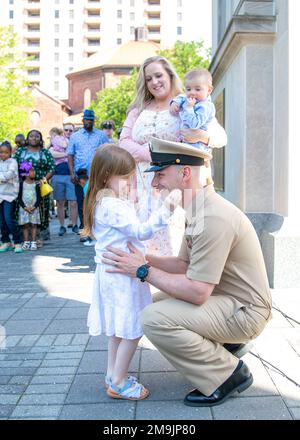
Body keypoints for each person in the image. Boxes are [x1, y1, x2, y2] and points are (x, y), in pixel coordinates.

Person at [102, 137, 272, 407]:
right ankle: (226, 347)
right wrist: (141, 258)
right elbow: (182, 265)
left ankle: (227, 374)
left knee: (153, 318)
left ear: (184, 173)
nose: (155, 183)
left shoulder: (213, 217)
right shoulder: (198, 209)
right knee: (147, 304)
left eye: (160, 174)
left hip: (245, 312)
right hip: (228, 302)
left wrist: (142, 270)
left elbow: (197, 292)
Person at [84, 144, 178, 401]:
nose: (130, 182)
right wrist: (167, 209)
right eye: (125, 178)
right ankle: (119, 382)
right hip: (123, 275)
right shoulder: (113, 206)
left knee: (118, 329)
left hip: (113, 274)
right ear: (106, 176)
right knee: (133, 329)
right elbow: (141, 231)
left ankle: (113, 374)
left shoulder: (103, 201)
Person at [119, 56, 227, 256]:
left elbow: (221, 138)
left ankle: (174, 283)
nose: (154, 82)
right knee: (145, 243)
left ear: (170, 75)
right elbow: (123, 141)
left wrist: (201, 136)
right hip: (143, 186)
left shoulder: (188, 103)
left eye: (158, 75)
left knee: (174, 240)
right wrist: (152, 155)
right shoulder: (138, 109)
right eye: (149, 78)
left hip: (177, 184)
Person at [67, 109, 109, 235]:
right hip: (80, 176)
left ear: (94, 120)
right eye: (86, 119)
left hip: (97, 175)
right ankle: (84, 230)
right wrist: (72, 173)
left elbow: (107, 153)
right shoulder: (75, 136)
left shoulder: (101, 135)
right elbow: (70, 155)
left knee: (97, 202)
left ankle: (96, 230)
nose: (89, 122)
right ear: (83, 120)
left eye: (91, 120)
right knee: (82, 203)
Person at [14, 130, 55, 246]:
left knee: (41, 211)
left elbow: (52, 168)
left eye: (37, 136)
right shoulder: (20, 152)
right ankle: (24, 238)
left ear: (40, 139)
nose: (34, 138)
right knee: (23, 210)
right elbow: (13, 166)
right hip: (23, 187)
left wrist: (42, 181)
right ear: (27, 139)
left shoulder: (45, 152)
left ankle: (39, 237)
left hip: (40, 187)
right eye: (31, 136)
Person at [170, 68, 215, 152]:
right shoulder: (190, 98)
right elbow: (182, 97)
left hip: (197, 147)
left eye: (197, 89)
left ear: (209, 90)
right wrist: (175, 103)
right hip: (185, 144)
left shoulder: (206, 107)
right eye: (188, 89)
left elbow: (194, 125)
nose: (192, 92)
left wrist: (189, 108)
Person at [49, 128, 78, 236]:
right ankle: (62, 226)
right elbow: (52, 154)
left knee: (73, 202)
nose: (68, 132)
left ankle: (74, 225)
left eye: (70, 130)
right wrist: (68, 154)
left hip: (71, 175)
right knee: (60, 202)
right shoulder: (52, 146)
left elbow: (75, 155)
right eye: (66, 130)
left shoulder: (73, 143)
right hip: (57, 175)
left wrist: (66, 153)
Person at [0, 141, 22, 253]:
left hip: (10, 196)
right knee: (1, 221)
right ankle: (5, 241)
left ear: (10, 152)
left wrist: (2, 178)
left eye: (6, 152)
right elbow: (5, 177)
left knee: (9, 219)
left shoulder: (13, 162)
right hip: (0, 195)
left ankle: (17, 241)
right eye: (1, 152)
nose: (3, 154)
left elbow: (9, 175)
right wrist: (3, 178)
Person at [18, 161, 41, 251]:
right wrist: (25, 207)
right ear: (26, 173)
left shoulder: (36, 185)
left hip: (34, 208)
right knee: (25, 225)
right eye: (32, 171)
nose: (34, 172)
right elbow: (19, 198)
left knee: (34, 225)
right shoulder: (21, 185)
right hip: (24, 209)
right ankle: (26, 241)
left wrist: (34, 206)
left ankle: (34, 242)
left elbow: (39, 198)